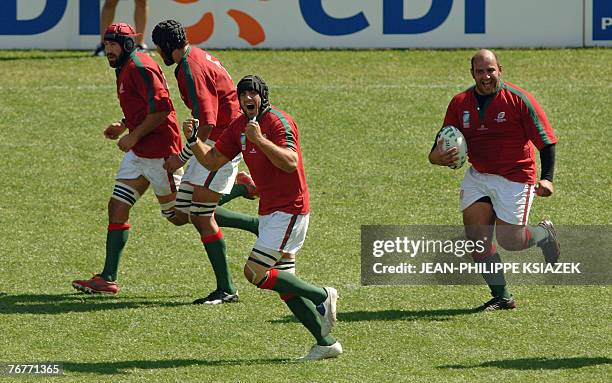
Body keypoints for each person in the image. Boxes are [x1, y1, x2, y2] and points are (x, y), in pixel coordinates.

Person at [185, 75, 342, 361]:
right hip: (270, 210)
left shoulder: (278, 122)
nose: (247, 98)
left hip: (290, 209)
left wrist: (260, 140)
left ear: (263, 96)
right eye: (243, 94)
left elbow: (290, 161)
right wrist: (194, 142)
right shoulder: (238, 127)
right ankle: (326, 343)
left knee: (255, 272)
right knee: (285, 286)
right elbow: (213, 160)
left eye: (252, 94)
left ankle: (322, 295)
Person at [429, 49, 560, 311]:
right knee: (477, 240)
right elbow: (440, 143)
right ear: (472, 73)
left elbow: (546, 142)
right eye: (480, 71)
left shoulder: (520, 100)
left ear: (500, 70)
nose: (486, 76)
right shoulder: (459, 102)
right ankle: (503, 296)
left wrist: (547, 179)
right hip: (479, 176)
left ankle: (544, 233)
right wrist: (436, 158)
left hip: (515, 176)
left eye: (491, 70)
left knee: (511, 240)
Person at [151, 20, 259, 305]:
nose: (157, 51)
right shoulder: (194, 56)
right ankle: (241, 190)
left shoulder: (189, 68)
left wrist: (182, 157)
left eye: (158, 47)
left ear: (167, 46)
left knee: (200, 214)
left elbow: (207, 121)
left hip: (221, 143)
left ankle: (227, 289)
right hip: (221, 137)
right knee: (183, 211)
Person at [73, 23, 182, 294]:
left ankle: (241, 191)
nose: (109, 50)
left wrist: (133, 136)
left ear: (128, 44)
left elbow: (162, 109)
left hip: (160, 151)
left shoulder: (140, 67)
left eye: (114, 45)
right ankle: (108, 278)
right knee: (117, 206)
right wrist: (124, 124)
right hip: (140, 152)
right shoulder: (124, 64)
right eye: (106, 44)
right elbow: (142, 104)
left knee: (181, 216)